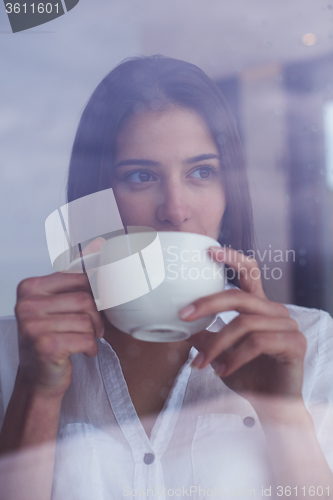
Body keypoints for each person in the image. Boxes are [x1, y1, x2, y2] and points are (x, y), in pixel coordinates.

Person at [0, 55, 333, 500]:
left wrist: (283, 411)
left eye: (201, 172)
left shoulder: (308, 341)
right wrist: (37, 394)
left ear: (228, 195)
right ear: (99, 200)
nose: (175, 210)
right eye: (141, 176)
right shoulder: (19, 351)